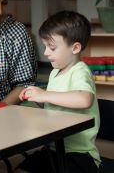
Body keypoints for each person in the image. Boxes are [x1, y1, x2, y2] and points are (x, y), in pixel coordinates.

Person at [15, 10, 101, 173]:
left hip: (79, 154)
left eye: (52, 48)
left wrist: (44, 94)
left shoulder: (80, 71)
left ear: (75, 48)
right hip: (53, 147)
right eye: (45, 46)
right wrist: (38, 98)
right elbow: (55, 104)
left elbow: (84, 100)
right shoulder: (55, 72)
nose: (46, 52)